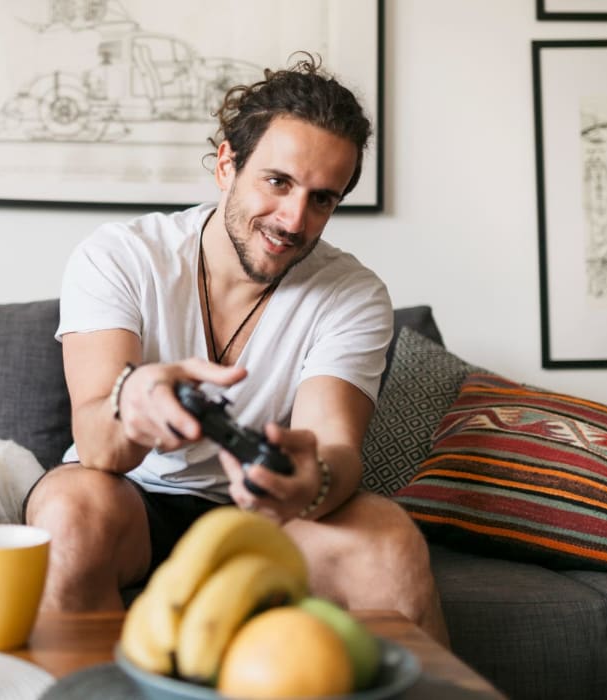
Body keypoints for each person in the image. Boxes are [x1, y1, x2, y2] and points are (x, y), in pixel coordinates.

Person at [23, 54, 449, 645]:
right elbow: (98, 443)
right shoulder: (120, 255)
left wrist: (315, 478)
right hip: (130, 498)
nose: (294, 219)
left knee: (390, 537)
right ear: (227, 164)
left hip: (271, 515)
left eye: (322, 199)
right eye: (278, 182)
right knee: (69, 511)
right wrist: (134, 399)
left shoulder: (353, 294)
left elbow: (336, 449)